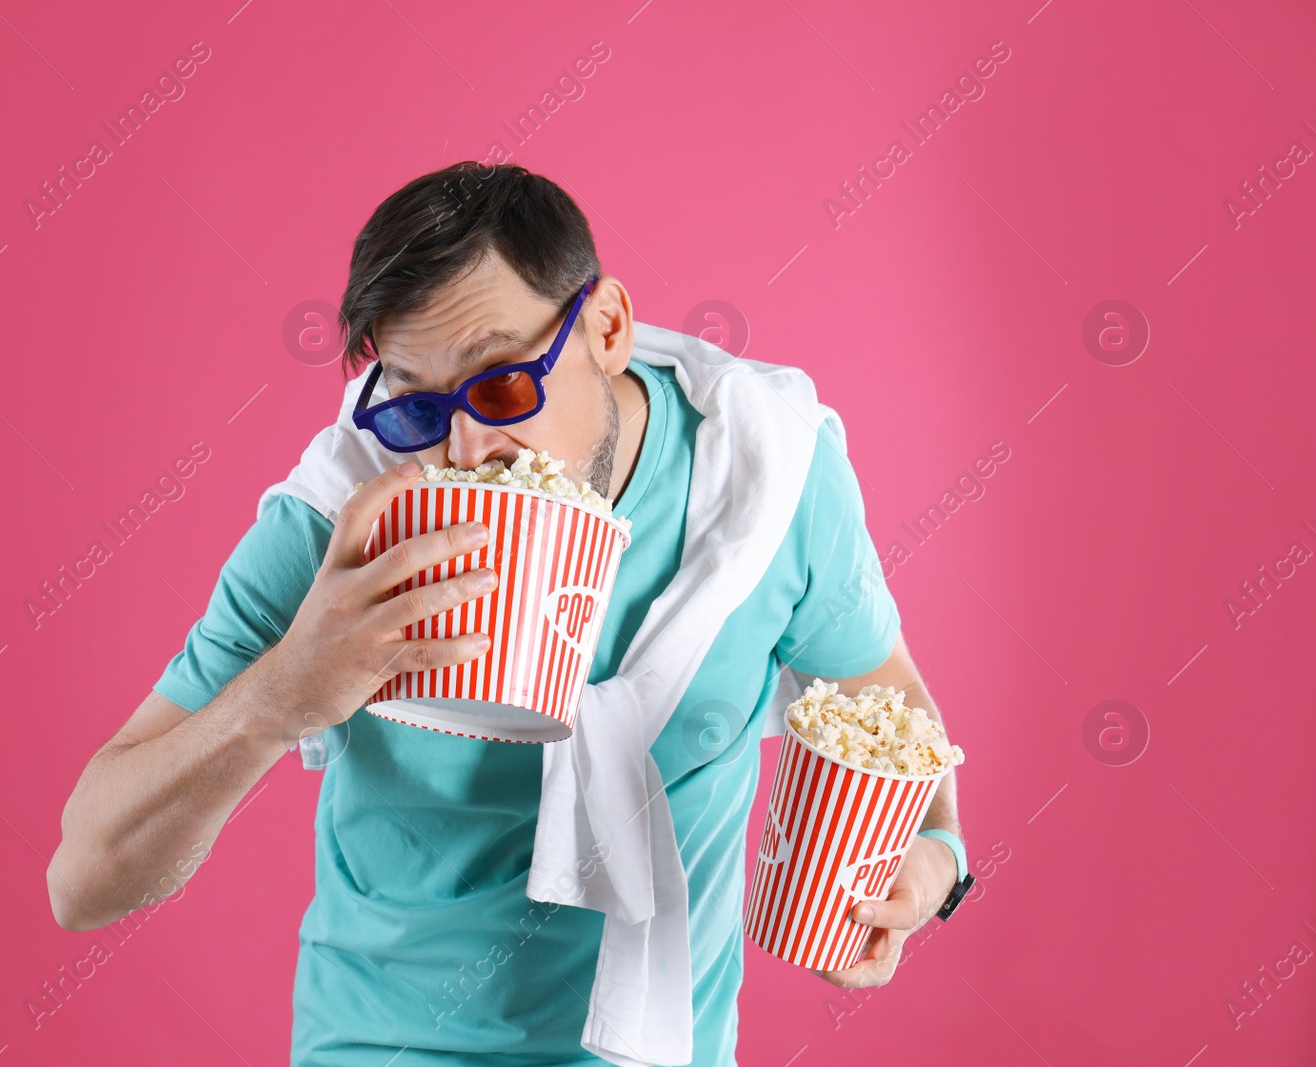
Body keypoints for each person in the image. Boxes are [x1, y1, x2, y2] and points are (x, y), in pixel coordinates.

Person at [47, 162, 969, 1066]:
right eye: (416, 407)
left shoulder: (769, 475)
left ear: (606, 327)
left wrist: (934, 858)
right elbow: (83, 878)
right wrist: (283, 693)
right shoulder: (342, 524)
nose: (470, 449)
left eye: (500, 386)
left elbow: (885, 713)